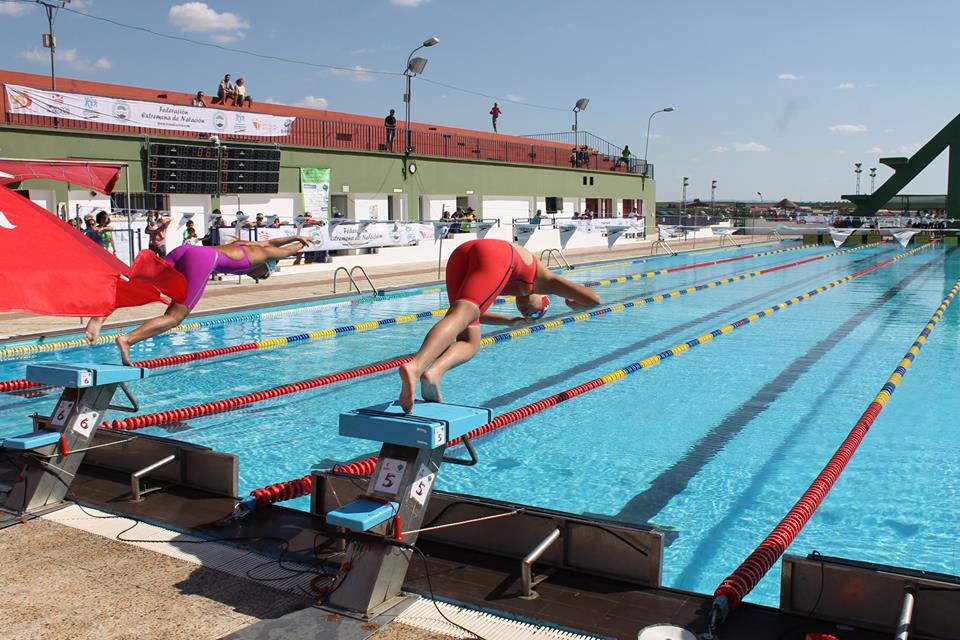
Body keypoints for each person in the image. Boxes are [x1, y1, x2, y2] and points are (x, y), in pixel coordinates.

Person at [398, 238, 600, 412]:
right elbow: (594, 300)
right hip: (497, 253)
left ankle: (433, 373)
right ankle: (416, 366)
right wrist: (573, 303)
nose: (530, 314)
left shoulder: (507, 283)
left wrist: (509, 321)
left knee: (470, 340)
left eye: (533, 317)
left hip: (463, 253)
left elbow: (475, 315)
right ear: (545, 298)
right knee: (463, 312)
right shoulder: (546, 281)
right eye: (538, 312)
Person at [85, 236, 313, 365]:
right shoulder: (264, 255)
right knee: (175, 317)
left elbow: (275, 242)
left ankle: (101, 313)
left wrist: (297, 236)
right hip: (203, 260)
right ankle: (127, 340)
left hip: (185, 250)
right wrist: (304, 242)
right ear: (266, 267)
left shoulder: (253, 246)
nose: (256, 277)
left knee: (146, 284)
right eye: (261, 275)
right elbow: (286, 250)